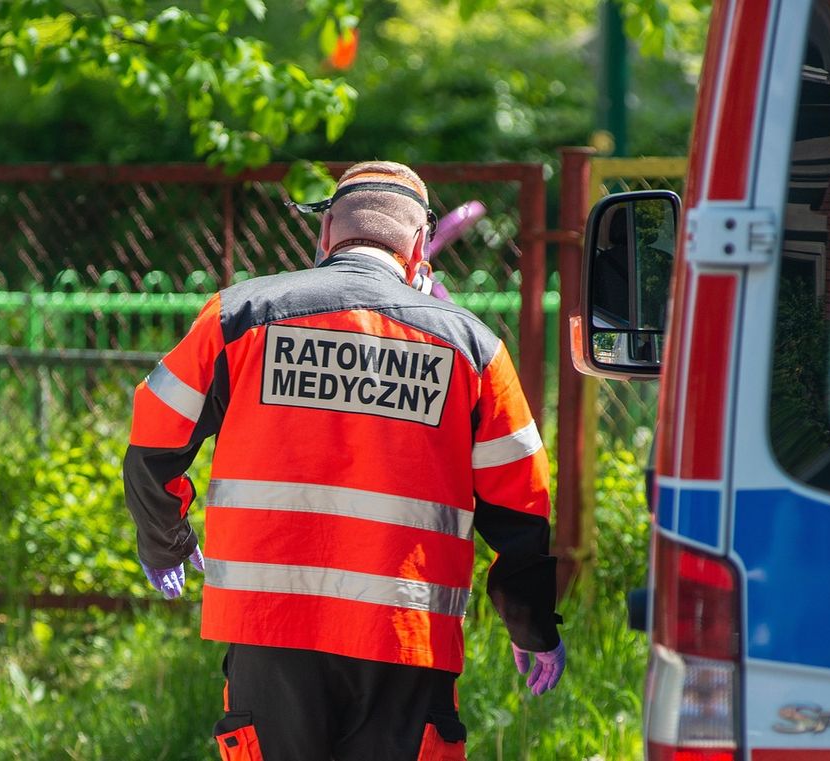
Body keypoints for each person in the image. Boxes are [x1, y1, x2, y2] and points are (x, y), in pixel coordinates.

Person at [123, 160, 565, 761]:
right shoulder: (471, 347)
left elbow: (153, 438)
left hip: (268, 628)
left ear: (325, 234)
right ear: (417, 248)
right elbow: (521, 503)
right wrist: (530, 622)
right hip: (405, 639)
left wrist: (165, 539)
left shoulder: (238, 317)